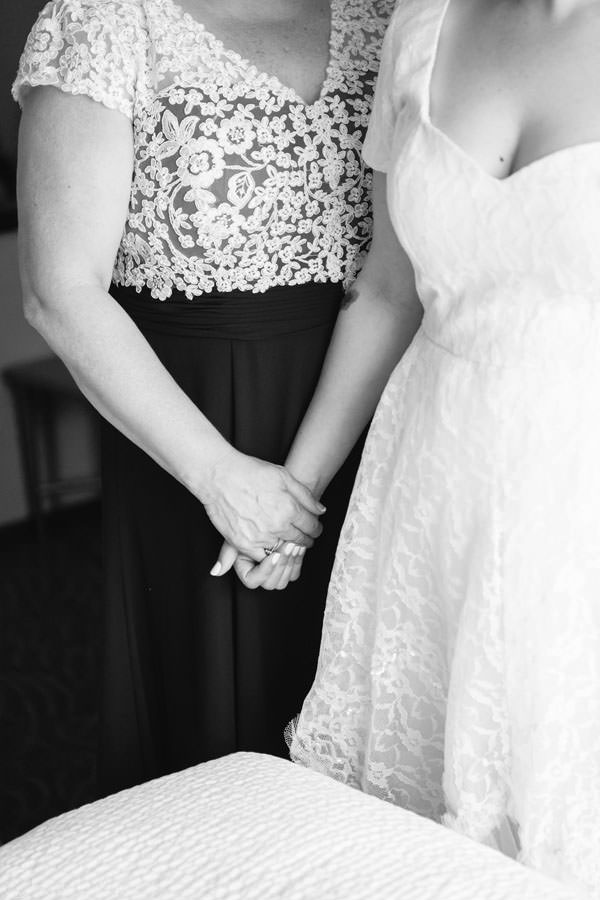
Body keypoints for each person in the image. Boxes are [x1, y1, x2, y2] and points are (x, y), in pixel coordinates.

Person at [218, 0, 600, 893]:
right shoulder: (422, 25)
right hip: (431, 477)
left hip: (579, 490)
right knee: (423, 833)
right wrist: (293, 496)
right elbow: (390, 290)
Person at [12, 0, 394, 796]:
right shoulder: (106, 18)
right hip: (188, 442)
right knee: (214, 744)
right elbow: (58, 291)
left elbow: (395, 279)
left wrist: (304, 488)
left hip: (362, 425)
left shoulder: (386, 17)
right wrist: (223, 480)